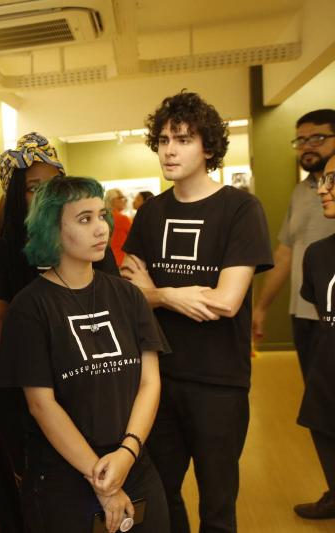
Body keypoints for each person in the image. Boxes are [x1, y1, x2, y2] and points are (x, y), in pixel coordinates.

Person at [121, 91, 273, 533]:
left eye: (184, 140)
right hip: (158, 380)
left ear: (208, 148)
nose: (170, 150)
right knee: (160, 495)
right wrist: (173, 296)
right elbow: (130, 295)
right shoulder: (151, 214)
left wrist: (155, 291)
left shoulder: (241, 209)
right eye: (164, 140)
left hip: (219, 383)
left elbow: (226, 301)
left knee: (218, 506)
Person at [0, 176, 169, 533]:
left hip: (134, 464)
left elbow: (150, 382)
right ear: (52, 229)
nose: (101, 228)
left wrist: (127, 453)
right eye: (84, 218)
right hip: (65, 477)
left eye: (101, 215)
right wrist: (102, 481)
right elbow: (42, 405)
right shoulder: (29, 308)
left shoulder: (129, 296)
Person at [0, 132, 119, 533]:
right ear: (15, 196)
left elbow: (113, 316)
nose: (44, 196)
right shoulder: (1, 253)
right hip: (23, 405)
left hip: (89, 394)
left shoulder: (93, 247)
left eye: (53, 185)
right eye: (32, 187)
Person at [252, 109, 335, 376]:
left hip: (331, 312)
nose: (307, 147)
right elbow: (285, 253)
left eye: (317, 138)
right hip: (303, 313)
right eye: (301, 140)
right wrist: (261, 307)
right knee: (316, 393)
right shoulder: (300, 192)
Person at [294, 156, 335, 519]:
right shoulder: (318, 254)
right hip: (327, 375)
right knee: (323, 431)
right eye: (323, 180)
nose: (323, 189)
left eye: (332, 180)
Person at [104, 188, 131, 266]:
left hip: (105, 260)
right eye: (121, 197)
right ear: (113, 200)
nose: (125, 200)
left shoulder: (103, 217)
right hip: (121, 261)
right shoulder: (122, 219)